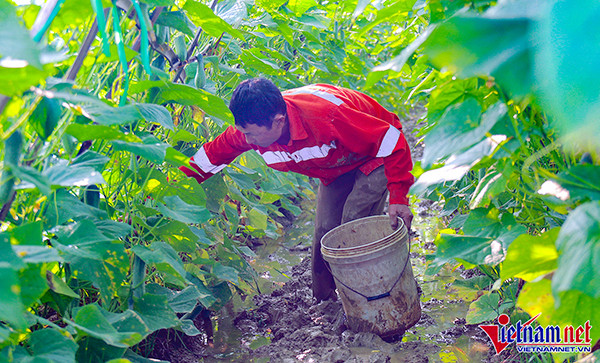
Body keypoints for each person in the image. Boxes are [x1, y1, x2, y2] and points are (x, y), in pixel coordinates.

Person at [180, 78, 414, 302]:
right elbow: (209, 158)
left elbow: (391, 141)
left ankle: (370, 296)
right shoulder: (250, 129)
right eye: (243, 132)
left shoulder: (327, 118)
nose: (246, 138)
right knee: (325, 233)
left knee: (352, 224)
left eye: (251, 133)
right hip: (337, 165)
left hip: (376, 156)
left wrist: (398, 196)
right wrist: (167, 188)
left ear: (279, 121)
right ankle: (325, 301)